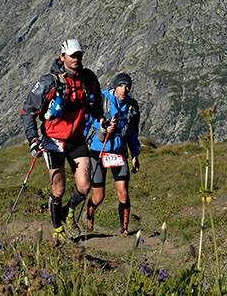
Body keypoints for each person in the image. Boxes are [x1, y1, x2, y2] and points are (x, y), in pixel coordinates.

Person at [21, 38, 104, 240]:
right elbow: (28, 111)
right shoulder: (49, 82)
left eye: (79, 55)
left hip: (76, 139)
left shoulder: (88, 79)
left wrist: (101, 119)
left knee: (84, 186)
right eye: (72, 55)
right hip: (53, 140)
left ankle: (69, 211)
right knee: (58, 186)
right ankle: (58, 229)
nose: (76, 58)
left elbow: (95, 105)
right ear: (63, 56)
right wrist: (33, 139)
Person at [84, 73, 141, 235]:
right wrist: (103, 127)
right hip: (98, 151)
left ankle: (124, 230)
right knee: (99, 196)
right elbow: (90, 121)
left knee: (123, 191)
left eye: (127, 86)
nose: (124, 89)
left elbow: (132, 132)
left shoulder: (132, 106)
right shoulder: (102, 99)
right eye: (121, 86)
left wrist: (135, 154)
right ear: (114, 86)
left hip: (118, 151)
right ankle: (90, 213)